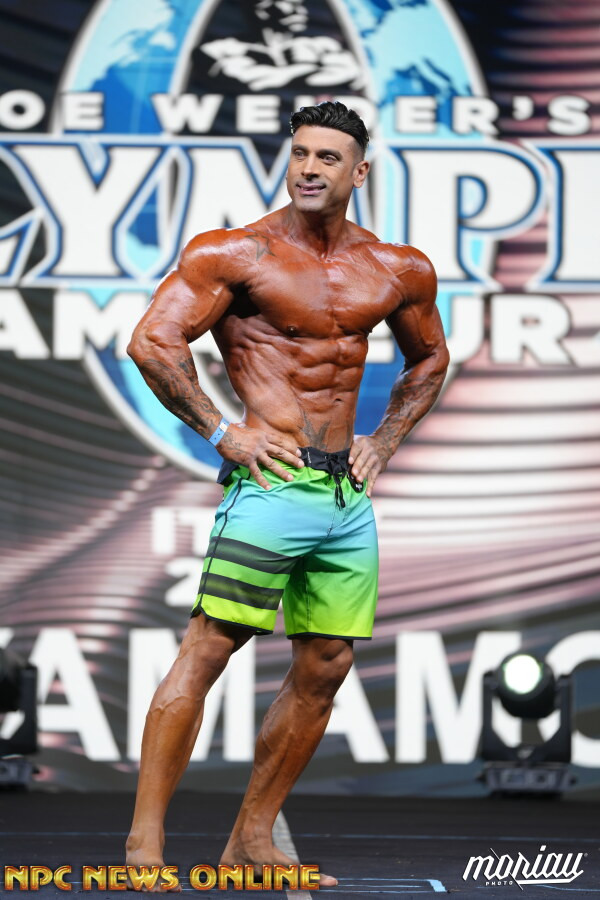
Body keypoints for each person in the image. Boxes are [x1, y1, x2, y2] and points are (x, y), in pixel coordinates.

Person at [125, 100, 449, 889]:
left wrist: (385, 439)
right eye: (300, 153)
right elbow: (151, 342)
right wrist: (220, 430)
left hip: (344, 496)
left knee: (327, 664)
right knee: (210, 648)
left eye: (327, 157)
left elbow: (430, 359)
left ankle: (251, 841)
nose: (309, 168)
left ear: (359, 171)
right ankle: (143, 849)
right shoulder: (237, 254)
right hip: (270, 485)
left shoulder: (396, 268)